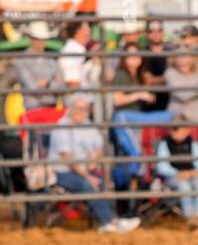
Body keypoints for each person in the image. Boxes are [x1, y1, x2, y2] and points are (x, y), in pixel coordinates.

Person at [47, 96, 140, 234]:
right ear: (70, 109)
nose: (82, 112)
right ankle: (109, 222)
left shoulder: (88, 125)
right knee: (88, 184)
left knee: (106, 181)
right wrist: (88, 177)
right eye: (79, 109)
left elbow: (99, 148)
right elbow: (67, 159)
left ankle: (113, 219)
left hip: (83, 170)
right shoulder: (62, 127)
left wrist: (94, 158)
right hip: (61, 172)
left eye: (85, 109)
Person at [154, 116, 198, 227]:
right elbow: (161, 167)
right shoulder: (164, 144)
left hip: (192, 174)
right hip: (173, 177)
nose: (182, 134)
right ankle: (190, 217)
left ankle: (197, 216)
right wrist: (176, 173)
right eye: (178, 131)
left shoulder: (192, 143)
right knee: (184, 186)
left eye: (184, 130)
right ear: (171, 131)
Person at [15, 21, 66, 110]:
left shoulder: (51, 60)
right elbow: (32, 87)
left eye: (43, 38)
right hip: (33, 109)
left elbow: (61, 85)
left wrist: (47, 84)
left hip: (50, 108)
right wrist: (52, 84)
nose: (40, 41)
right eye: (37, 38)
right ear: (31, 39)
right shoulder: (22, 61)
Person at [164, 46, 198, 127]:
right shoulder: (170, 73)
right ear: (174, 60)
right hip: (177, 118)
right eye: (179, 57)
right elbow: (184, 95)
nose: (183, 61)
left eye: (187, 57)